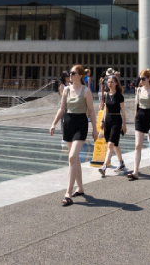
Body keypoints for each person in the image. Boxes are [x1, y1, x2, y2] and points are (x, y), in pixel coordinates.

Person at [49, 64, 98, 207]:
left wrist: (95, 130)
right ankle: (80, 188)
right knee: (74, 158)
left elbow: (91, 111)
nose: (70, 75)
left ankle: (68, 193)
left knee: (71, 157)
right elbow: (62, 108)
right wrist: (53, 123)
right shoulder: (66, 90)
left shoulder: (86, 91)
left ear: (80, 76)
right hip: (68, 123)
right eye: (70, 73)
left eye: (73, 73)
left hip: (81, 124)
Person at [128, 68, 150, 179]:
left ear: (148, 78)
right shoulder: (138, 90)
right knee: (138, 145)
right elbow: (137, 105)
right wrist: (135, 116)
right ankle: (135, 171)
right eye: (140, 78)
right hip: (140, 117)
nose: (141, 80)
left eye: (143, 78)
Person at [99, 74, 128, 176]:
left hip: (116, 120)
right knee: (115, 144)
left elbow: (123, 112)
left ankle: (104, 166)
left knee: (110, 144)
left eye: (111, 82)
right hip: (108, 120)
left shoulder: (119, 95)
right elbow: (105, 109)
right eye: (108, 82)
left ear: (116, 83)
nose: (109, 84)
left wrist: (124, 125)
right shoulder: (106, 94)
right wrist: (102, 121)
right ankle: (121, 163)